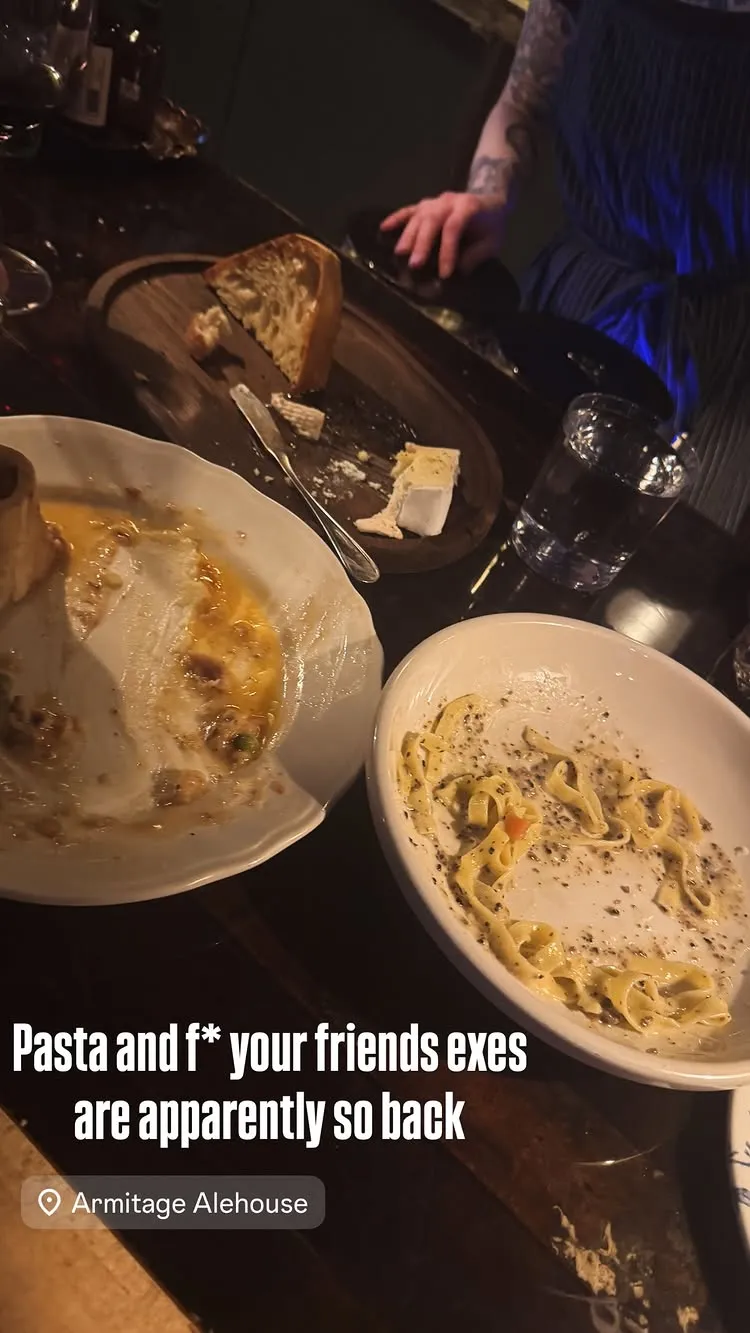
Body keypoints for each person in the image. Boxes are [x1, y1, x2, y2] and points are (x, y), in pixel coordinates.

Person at [382, 0, 750, 535]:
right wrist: (490, 194)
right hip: (574, 301)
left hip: (725, 358)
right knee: (482, 513)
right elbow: (522, 102)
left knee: (642, 583)